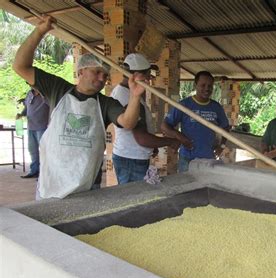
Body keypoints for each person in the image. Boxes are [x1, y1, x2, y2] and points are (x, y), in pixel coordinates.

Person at [12, 15, 145, 199]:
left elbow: (128, 123)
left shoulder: (105, 104)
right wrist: (40, 31)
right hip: (52, 183)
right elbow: (20, 66)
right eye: (97, 72)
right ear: (81, 71)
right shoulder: (57, 89)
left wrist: (135, 96)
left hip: (87, 188)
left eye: (105, 75)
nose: (101, 78)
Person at [111, 53, 180, 184]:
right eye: (147, 74)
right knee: (134, 199)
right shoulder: (128, 98)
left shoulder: (123, 92)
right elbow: (142, 139)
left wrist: (151, 146)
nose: (149, 78)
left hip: (129, 157)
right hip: (132, 160)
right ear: (135, 75)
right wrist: (170, 141)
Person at [161, 71, 229, 173]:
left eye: (210, 86)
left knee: (206, 187)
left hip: (208, 159)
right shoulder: (184, 105)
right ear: (195, 85)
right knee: (186, 187)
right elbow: (164, 126)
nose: (207, 89)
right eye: (203, 85)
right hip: (187, 158)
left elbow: (226, 127)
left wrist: (222, 146)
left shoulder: (216, 107)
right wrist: (179, 136)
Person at [16, 87, 49, 178]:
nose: (31, 85)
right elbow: (27, 107)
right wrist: (21, 114)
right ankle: (34, 171)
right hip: (31, 127)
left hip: (43, 127)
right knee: (32, 150)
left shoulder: (46, 94)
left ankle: (44, 174)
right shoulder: (29, 94)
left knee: (44, 151)